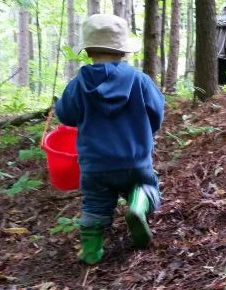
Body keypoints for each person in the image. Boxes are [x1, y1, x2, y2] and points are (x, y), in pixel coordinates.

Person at [55, 14, 165, 265]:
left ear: (89, 50)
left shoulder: (78, 84)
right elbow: (156, 112)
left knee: (95, 204)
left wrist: (59, 105)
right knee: (147, 186)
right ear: (123, 51)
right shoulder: (140, 80)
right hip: (135, 159)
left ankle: (92, 252)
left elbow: (66, 116)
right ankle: (138, 205)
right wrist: (147, 132)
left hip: (95, 165)